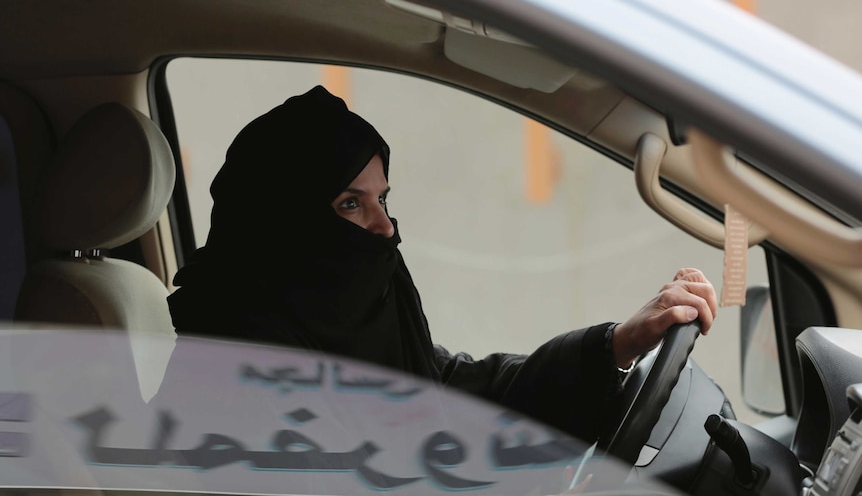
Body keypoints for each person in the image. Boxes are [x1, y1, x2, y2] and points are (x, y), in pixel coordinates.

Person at [167, 85, 717, 443]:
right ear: (285, 225)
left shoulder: (355, 337)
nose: (384, 228)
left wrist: (614, 346)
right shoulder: (226, 373)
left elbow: (463, 391)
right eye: (350, 204)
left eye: (383, 200)